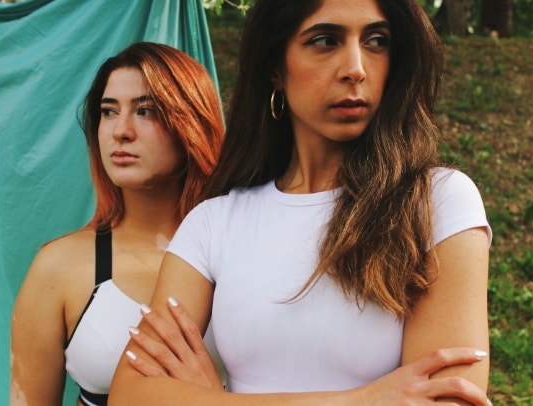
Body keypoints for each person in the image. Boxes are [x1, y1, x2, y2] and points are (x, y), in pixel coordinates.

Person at [109, 0, 492, 404]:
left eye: (377, 41)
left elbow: (450, 399)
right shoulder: (214, 223)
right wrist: (356, 400)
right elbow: (130, 394)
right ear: (275, 66)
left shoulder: (436, 202)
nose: (356, 68)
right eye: (326, 40)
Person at [9, 42, 224, 405]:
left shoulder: (241, 252)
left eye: (146, 111)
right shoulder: (58, 267)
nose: (121, 131)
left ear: (192, 123)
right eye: (109, 112)